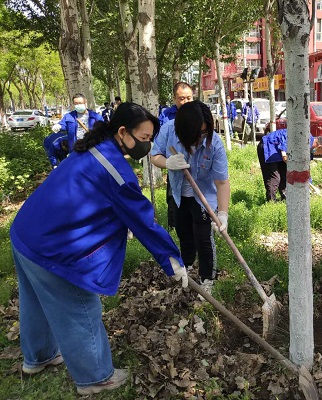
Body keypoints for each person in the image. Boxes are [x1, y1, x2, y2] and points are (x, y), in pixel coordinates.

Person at [10, 102, 188, 395]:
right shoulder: (115, 172)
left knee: (36, 302)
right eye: (143, 138)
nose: (147, 145)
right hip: (52, 246)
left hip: (26, 232)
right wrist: (172, 260)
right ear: (123, 132)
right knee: (80, 306)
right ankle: (95, 378)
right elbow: (143, 221)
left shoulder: (92, 148)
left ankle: (38, 358)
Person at [151, 100, 230, 295]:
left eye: (203, 132)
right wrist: (167, 163)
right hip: (178, 193)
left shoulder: (214, 144)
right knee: (183, 231)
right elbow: (154, 155)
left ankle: (207, 278)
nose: (200, 138)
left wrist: (223, 214)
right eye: (196, 134)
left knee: (203, 236)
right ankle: (186, 267)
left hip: (203, 196)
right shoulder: (169, 130)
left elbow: (222, 182)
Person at [157, 82, 194, 229]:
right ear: (174, 99)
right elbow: (159, 144)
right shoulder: (166, 116)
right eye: (181, 98)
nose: (185, 102)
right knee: (174, 197)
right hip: (175, 166)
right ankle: (173, 226)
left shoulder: (199, 113)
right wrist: (168, 162)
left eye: (188, 98)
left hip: (197, 168)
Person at [257, 127, 322, 201]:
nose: (321, 154)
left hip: (280, 153)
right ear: (319, 147)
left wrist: (308, 183)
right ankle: (271, 203)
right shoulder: (303, 137)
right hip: (269, 146)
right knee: (274, 178)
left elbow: (305, 168)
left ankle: (285, 200)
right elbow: (285, 152)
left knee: (285, 176)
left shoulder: (309, 151)